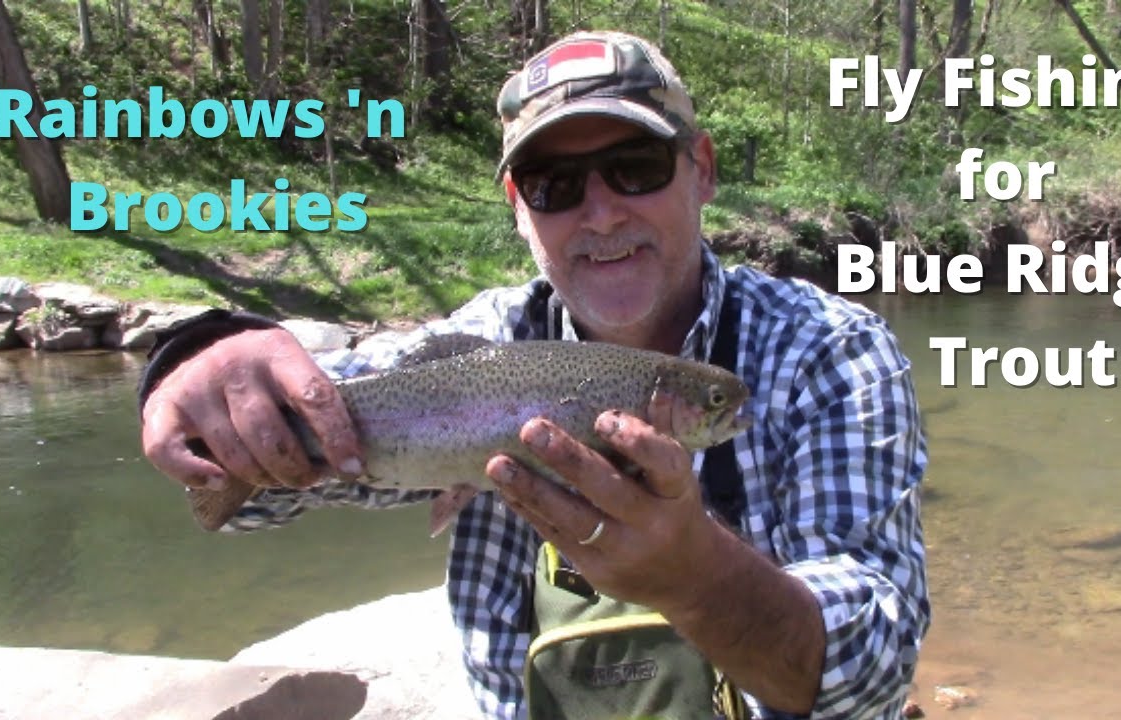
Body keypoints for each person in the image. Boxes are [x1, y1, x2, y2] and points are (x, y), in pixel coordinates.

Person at [139, 30, 929, 719]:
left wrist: (699, 579)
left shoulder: (829, 351)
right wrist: (201, 363)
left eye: (636, 167)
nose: (601, 214)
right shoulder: (488, 340)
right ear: (519, 206)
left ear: (703, 170)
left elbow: (871, 678)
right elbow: (251, 483)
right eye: (556, 185)